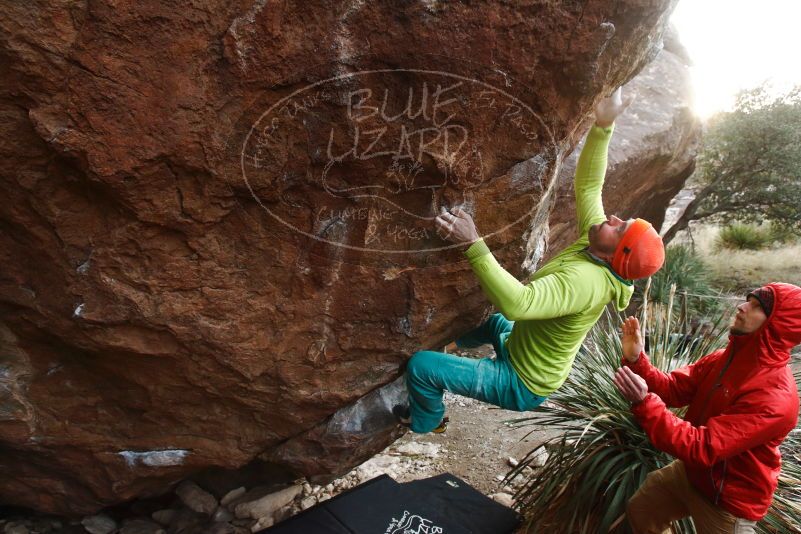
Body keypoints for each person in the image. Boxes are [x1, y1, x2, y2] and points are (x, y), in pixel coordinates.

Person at [395, 87, 666, 434]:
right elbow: (588, 188)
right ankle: (448, 349)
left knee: (421, 366)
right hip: (517, 347)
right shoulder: (596, 243)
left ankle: (427, 419)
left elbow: (518, 305)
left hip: (521, 381)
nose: (612, 217)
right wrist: (604, 125)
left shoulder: (586, 282)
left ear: (619, 254)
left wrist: (473, 243)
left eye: (620, 227)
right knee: (490, 325)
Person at [614, 284, 801, 533]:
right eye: (748, 300)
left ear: (778, 326)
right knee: (643, 510)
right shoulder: (724, 359)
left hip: (728, 501)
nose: (742, 307)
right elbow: (674, 389)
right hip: (692, 473)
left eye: (757, 307)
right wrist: (638, 360)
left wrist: (644, 402)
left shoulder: (774, 397)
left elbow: (703, 446)